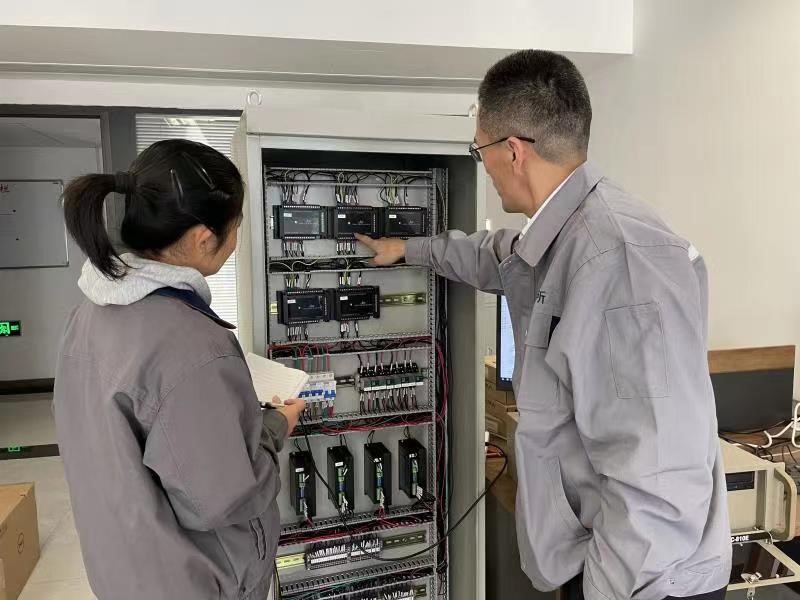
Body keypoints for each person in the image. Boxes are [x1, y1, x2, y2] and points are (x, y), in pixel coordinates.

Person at [357, 50, 731, 600]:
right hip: (605, 558)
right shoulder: (565, 235)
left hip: (643, 582)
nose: (482, 165)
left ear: (512, 151)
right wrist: (409, 249)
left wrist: (602, 589)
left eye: (479, 150)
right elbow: (496, 257)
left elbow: (656, 479)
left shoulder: (620, 261)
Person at [54, 139, 305, 600]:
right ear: (203, 238)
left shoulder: (88, 314)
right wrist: (274, 426)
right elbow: (222, 500)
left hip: (125, 566)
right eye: (236, 228)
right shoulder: (193, 346)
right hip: (193, 582)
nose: (236, 242)